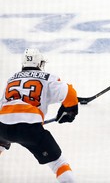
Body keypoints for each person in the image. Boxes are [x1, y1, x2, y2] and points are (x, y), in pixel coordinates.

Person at [0, 48, 79, 182]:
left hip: (2, 126)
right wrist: (70, 109)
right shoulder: (48, 78)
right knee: (59, 164)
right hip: (29, 130)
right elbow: (69, 92)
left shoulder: (11, 79)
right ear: (40, 63)